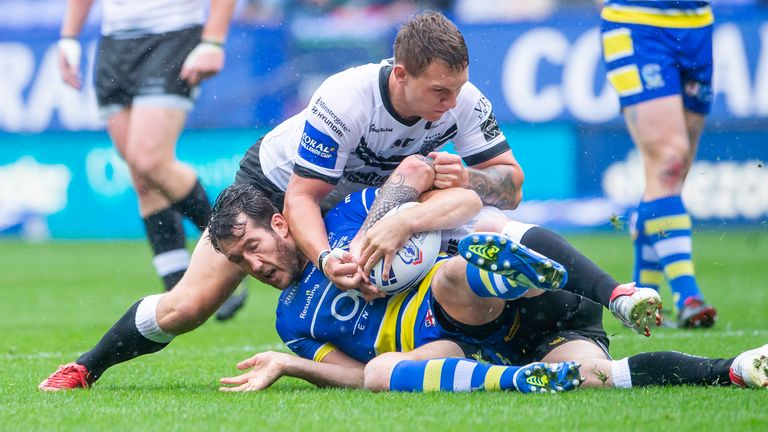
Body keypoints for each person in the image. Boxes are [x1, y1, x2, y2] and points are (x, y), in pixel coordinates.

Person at [38, 10, 537, 390]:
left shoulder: (463, 100)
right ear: (401, 74)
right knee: (187, 307)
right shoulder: (348, 98)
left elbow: (510, 188)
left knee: (464, 209)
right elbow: (302, 197)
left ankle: (527, 332)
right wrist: (324, 258)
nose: (451, 105)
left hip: (367, 192)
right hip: (274, 188)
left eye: (457, 90)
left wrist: (471, 177)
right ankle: (86, 366)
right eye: (439, 92)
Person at [197, 185, 767, 393]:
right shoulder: (291, 323)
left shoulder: (348, 218)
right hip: (491, 344)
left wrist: (405, 214)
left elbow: (453, 193)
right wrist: (288, 363)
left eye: (253, 246)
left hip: (488, 300)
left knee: (459, 262)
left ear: (278, 223)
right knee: (598, 379)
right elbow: (350, 375)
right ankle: (735, 370)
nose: (253, 264)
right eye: (237, 261)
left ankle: (516, 271)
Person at [58, 0, 247, 320]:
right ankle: (180, 290)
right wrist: (69, 37)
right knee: (142, 177)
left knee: (149, 160)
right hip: (114, 43)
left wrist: (213, 41)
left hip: (172, 36)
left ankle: (231, 241)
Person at [600, 0, 717, 327]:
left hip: (697, 23)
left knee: (671, 177)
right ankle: (688, 295)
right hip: (637, 21)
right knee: (669, 160)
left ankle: (644, 294)